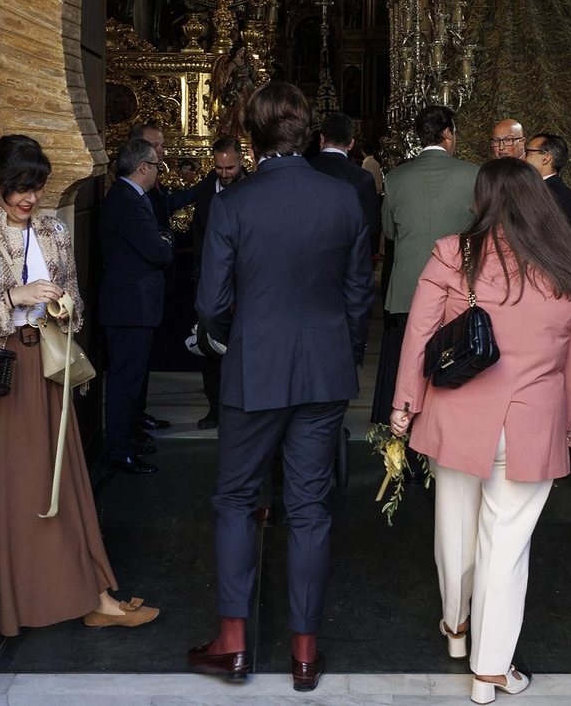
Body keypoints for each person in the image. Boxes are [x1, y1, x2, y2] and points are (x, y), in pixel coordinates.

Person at [0, 134, 159, 654]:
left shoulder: (53, 230)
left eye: (37, 188)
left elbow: (76, 300)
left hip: (41, 374)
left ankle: (92, 597)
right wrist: (12, 297)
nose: (29, 198)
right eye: (19, 188)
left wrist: (66, 308)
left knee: (55, 493)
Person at [391, 159, 571, 703]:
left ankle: (456, 629)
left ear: (480, 201)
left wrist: (405, 403)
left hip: (457, 413)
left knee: (454, 527)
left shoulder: (453, 252)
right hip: (532, 423)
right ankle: (491, 673)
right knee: (505, 547)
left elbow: (420, 333)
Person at [188, 82, 374, 693]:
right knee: (309, 508)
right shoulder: (344, 198)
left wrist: (230, 343)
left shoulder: (234, 202)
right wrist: (339, 357)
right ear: (310, 135)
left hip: (253, 368)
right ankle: (303, 653)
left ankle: (234, 644)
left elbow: (211, 303)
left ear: (253, 138)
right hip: (322, 370)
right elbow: (357, 297)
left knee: (238, 500)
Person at [374, 105, 480, 424]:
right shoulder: (474, 175)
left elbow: (389, 233)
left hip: (407, 292)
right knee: (455, 374)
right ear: (448, 133)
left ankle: (408, 455)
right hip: (458, 293)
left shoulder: (394, 178)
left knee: (409, 368)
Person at [99, 137, 173, 474]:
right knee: (125, 380)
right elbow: (159, 251)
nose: (157, 171)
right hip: (129, 307)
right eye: (156, 166)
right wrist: (164, 242)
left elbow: (159, 237)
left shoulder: (129, 197)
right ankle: (120, 450)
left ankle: (127, 437)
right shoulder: (128, 201)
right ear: (143, 167)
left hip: (132, 306)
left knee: (131, 377)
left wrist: (162, 238)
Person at [126, 122, 195, 433]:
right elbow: (156, 243)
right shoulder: (128, 196)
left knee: (143, 363)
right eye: (159, 147)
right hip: (134, 297)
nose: (164, 152)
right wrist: (165, 242)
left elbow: (166, 207)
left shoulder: (148, 187)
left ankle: (137, 417)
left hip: (149, 294)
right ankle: (128, 428)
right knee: (131, 369)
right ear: (141, 154)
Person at [189, 137, 246, 429]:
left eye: (230, 167)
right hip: (211, 279)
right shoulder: (203, 190)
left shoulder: (252, 188)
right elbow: (199, 234)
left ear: (242, 161)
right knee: (210, 347)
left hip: (245, 283)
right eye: (219, 167)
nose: (225, 174)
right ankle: (215, 408)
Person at [311, 111, 382, 262]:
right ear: (351, 143)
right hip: (349, 260)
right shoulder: (363, 178)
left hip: (308, 259)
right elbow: (373, 227)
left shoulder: (305, 170)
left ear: (321, 139)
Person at [526, 132, 571, 229]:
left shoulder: (550, 196)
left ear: (546, 158)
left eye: (528, 153)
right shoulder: (568, 195)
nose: (524, 159)